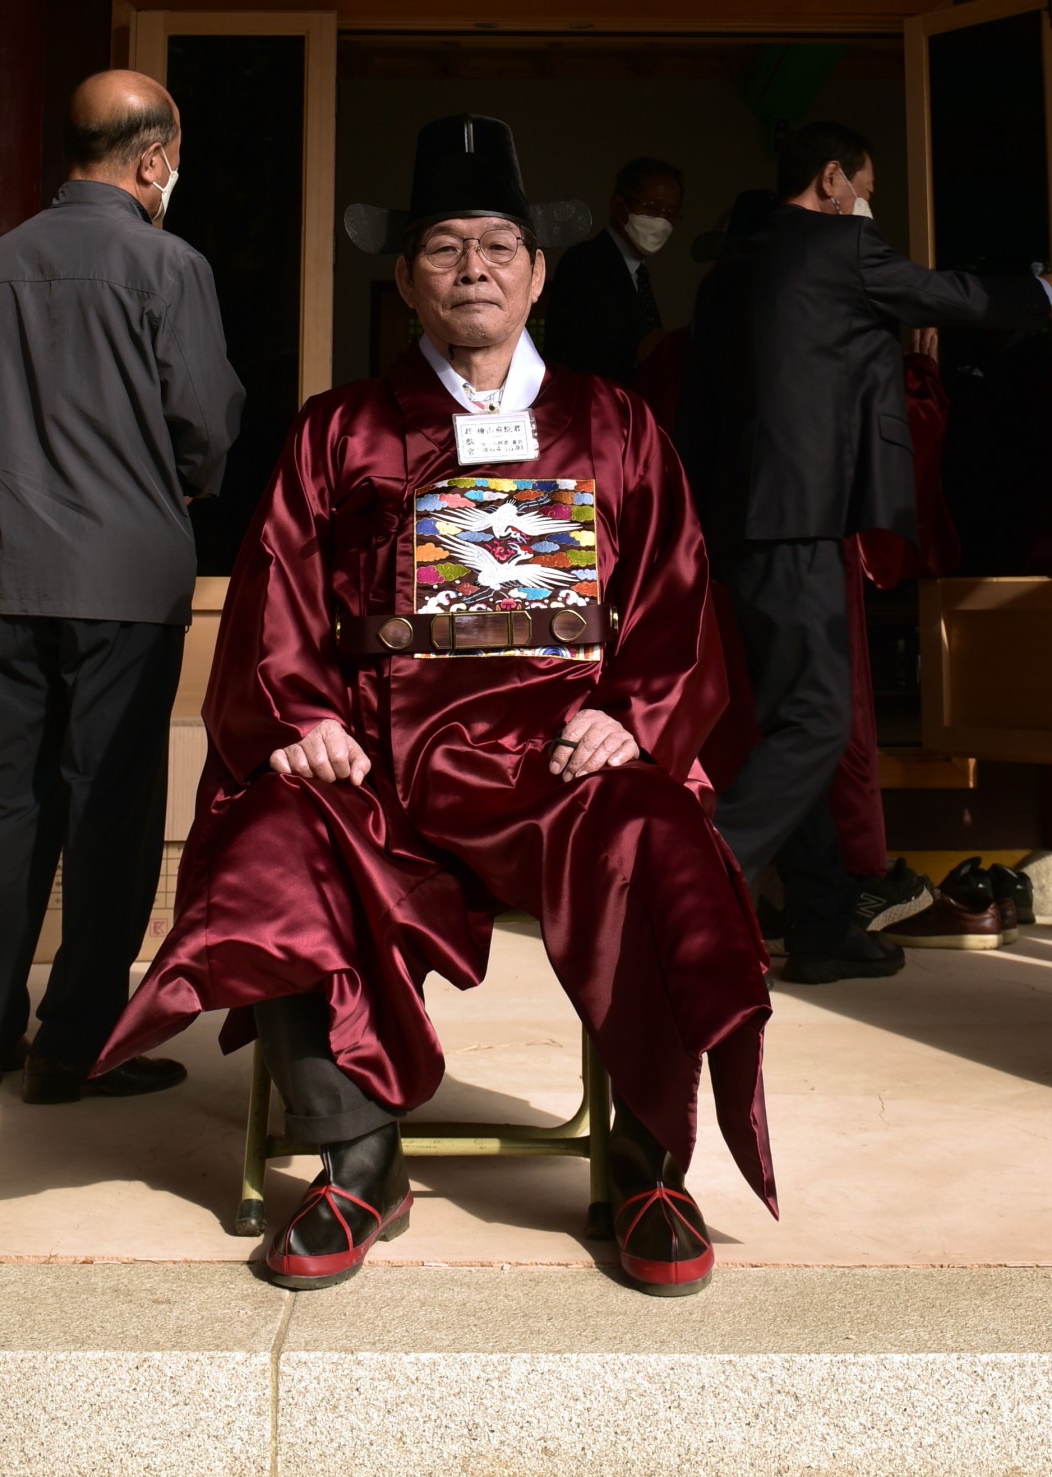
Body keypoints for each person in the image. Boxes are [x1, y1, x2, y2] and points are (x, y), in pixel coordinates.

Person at [94, 114, 777, 1297]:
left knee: (661, 836)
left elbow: (677, 592)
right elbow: (277, 593)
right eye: (446, 247)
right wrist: (303, 716)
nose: (474, 268)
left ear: (539, 275)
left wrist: (633, 712)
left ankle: (647, 1166)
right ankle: (359, 1157)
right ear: (407, 277)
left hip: (562, 771)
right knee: (272, 839)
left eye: (498, 246)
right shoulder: (338, 428)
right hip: (383, 767)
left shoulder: (617, 425)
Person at [679, 120, 1052, 987]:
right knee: (818, 721)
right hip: (797, 519)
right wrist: (1041, 290)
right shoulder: (836, 244)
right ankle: (688, 884)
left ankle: (820, 924)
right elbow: (950, 295)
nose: (867, 204)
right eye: (866, 187)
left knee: (795, 719)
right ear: (832, 179)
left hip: (738, 525)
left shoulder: (731, 268)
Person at [0, 69, 246, 1102]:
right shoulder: (166, 263)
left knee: (2, 795)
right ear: (154, 158)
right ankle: (74, 1041)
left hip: (11, 570)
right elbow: (204, 420)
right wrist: (181, 479)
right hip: (124, 571)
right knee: (109, 802)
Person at [544, 156, 684, 384]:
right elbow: (567, 350)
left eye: (670, 213)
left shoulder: (640, 274)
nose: (662, 221)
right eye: (652, 207)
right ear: (619, 206)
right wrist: (635, 353)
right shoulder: (584, 262)